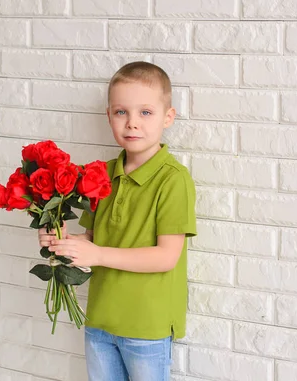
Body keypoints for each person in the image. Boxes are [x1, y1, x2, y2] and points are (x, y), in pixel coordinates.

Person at [38, 61, 197, 381]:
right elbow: (95, 239)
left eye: (146, 113)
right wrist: (63, 241)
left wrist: (97, 254)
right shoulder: (101, 174)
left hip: (146, 326)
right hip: (100, 320)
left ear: (168, 117)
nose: (132, 123)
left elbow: (167, 256)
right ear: (108, 116)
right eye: (121, 112)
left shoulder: (173, 180)